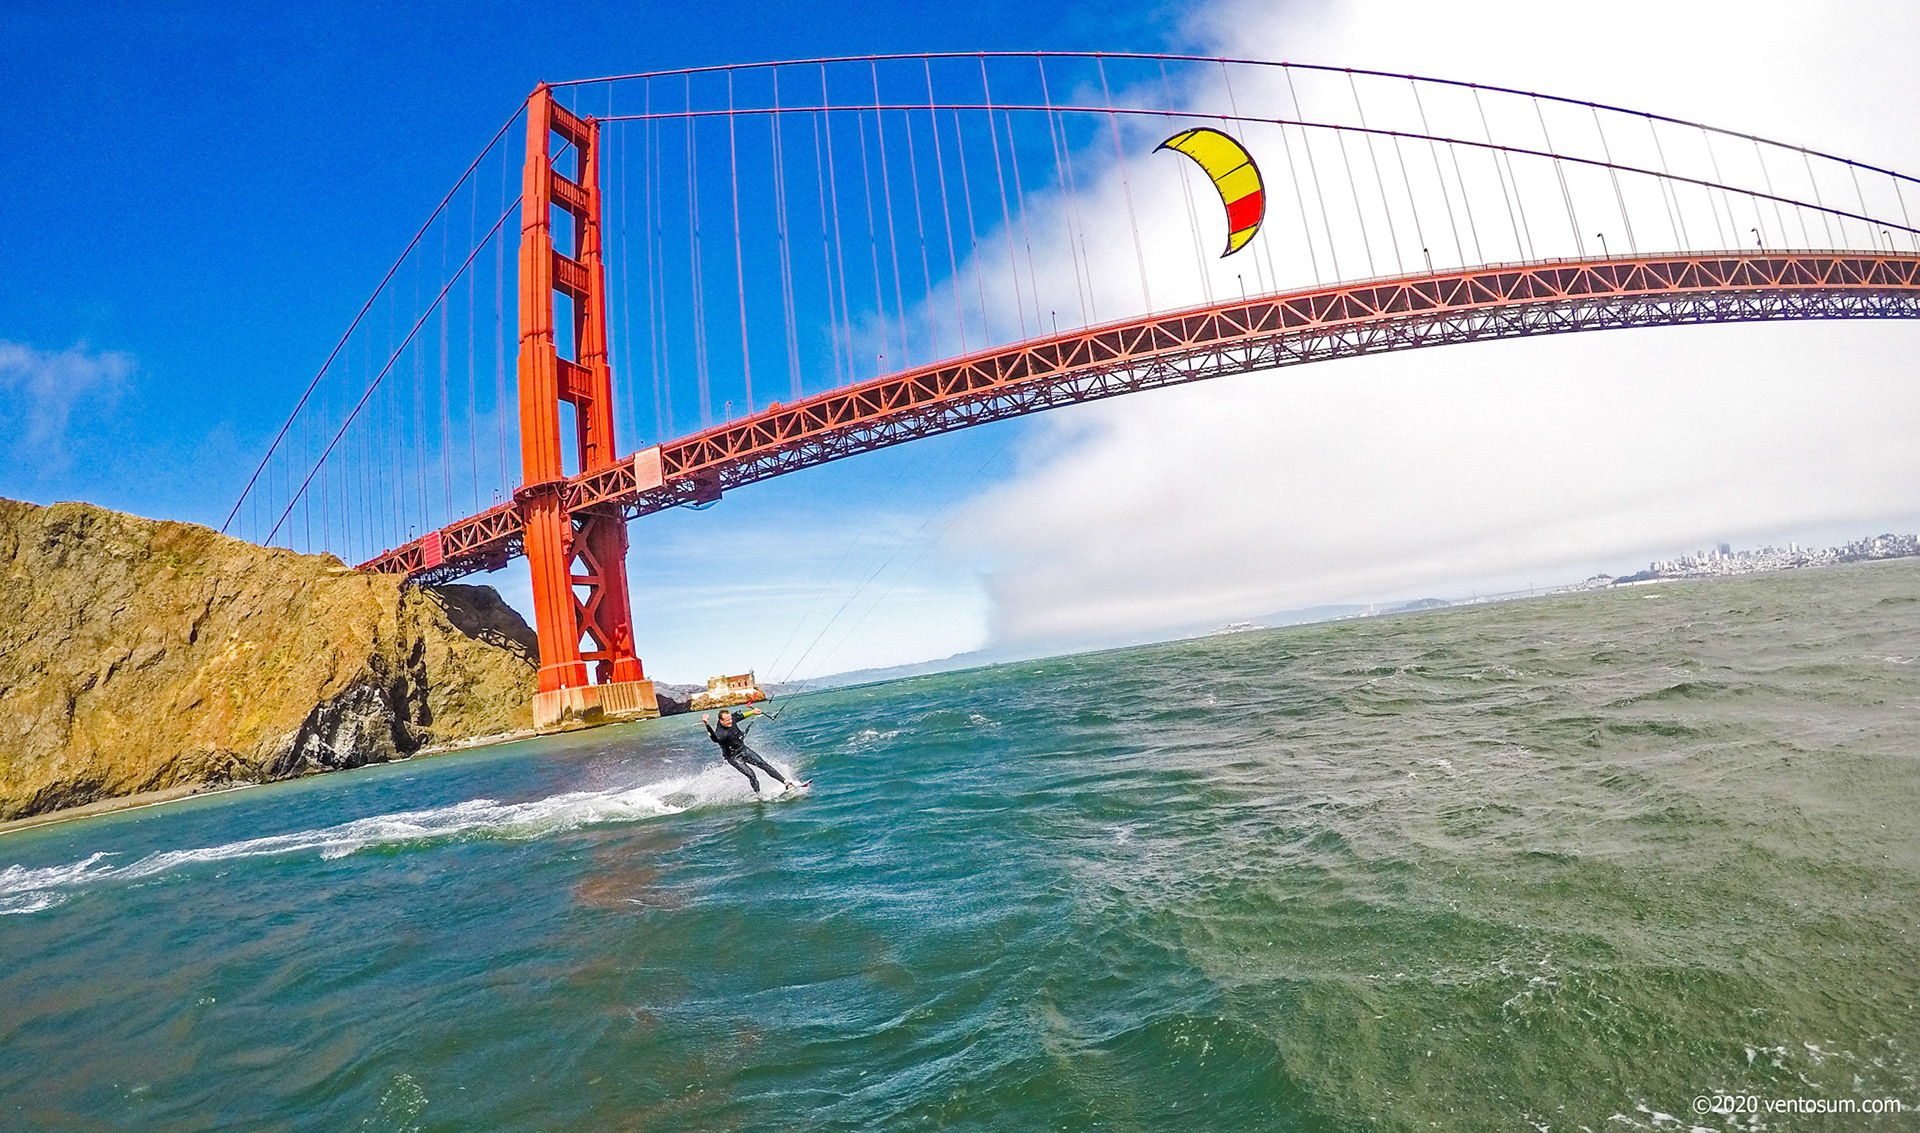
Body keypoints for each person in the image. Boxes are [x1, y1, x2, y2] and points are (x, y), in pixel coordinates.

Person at [703, 707, 799, 794]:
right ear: (721, 721)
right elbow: (714, 738)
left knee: (763, 764)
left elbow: (740, 716)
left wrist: (752, 712)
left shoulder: (731, 719)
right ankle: (759, 795)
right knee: (751, 775)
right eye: (727, 720)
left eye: (730, 719)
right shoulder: (721, 733)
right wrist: (707, 724)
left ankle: (786, 783)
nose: (730, 722)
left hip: (743, 749)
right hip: (733, 757)